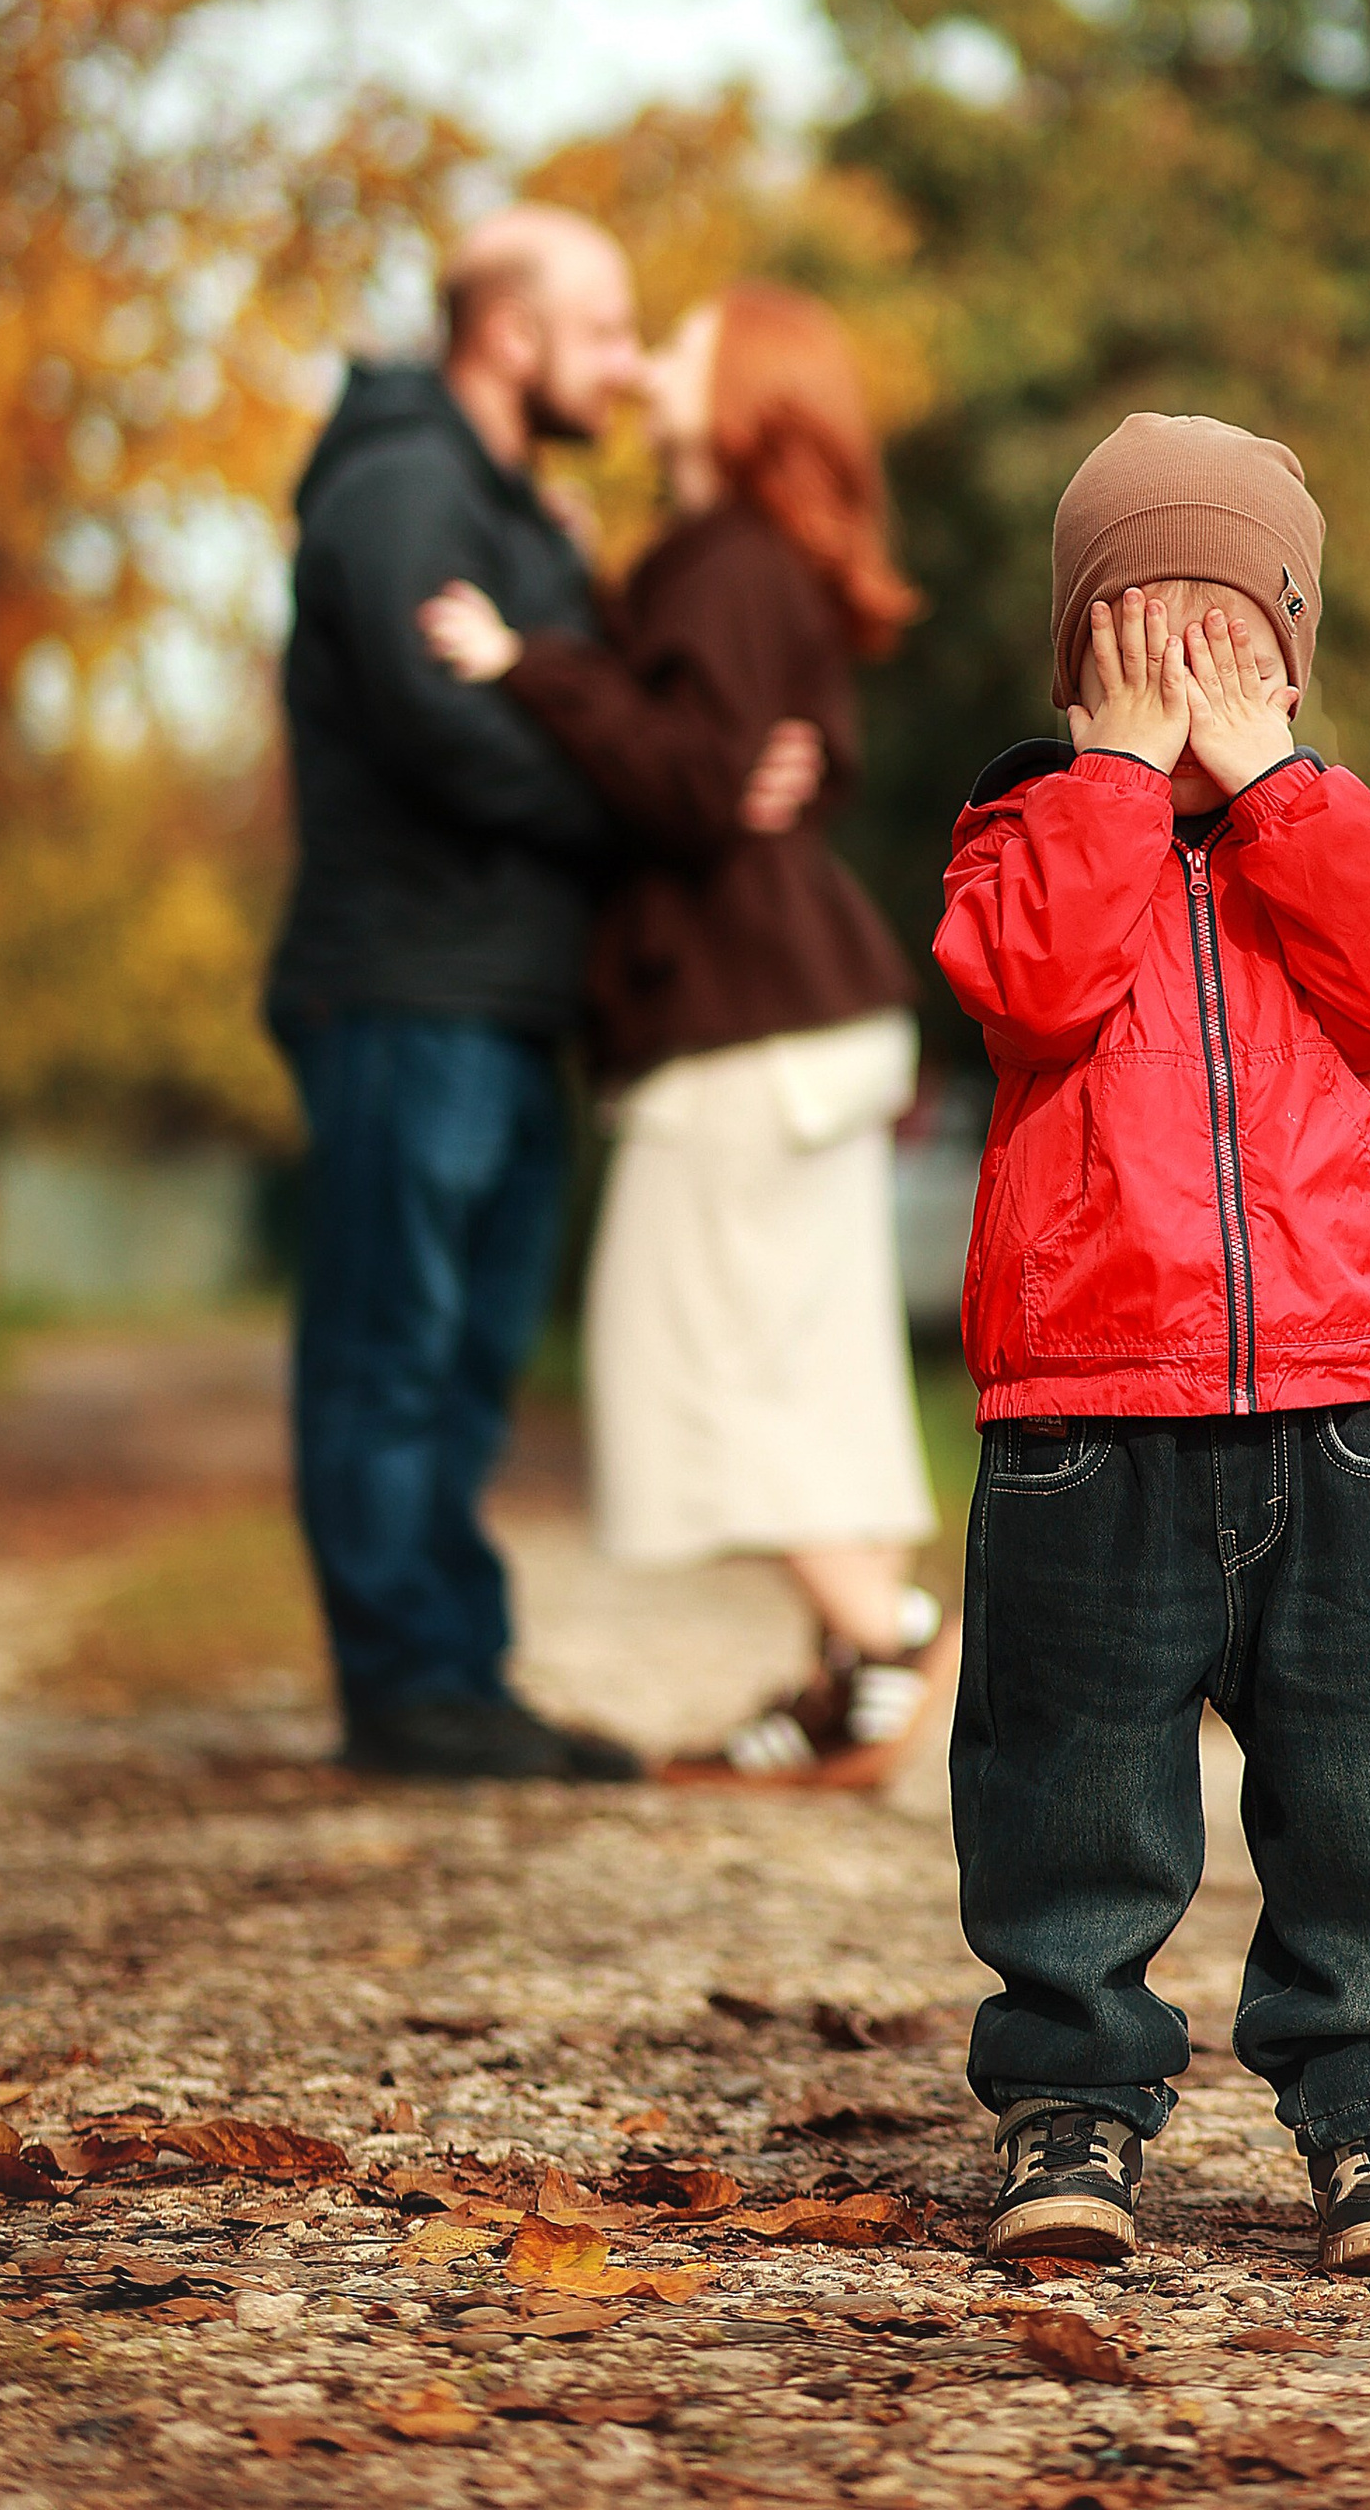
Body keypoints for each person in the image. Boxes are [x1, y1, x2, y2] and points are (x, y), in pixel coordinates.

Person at [933, 410, 1370, 2285]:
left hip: (1355, 1409)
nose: (1187, 678)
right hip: (1092, 1410)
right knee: (1074, 1789)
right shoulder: (1023, 835)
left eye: (1228, 638)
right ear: (1082, 653)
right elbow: (1031, 988)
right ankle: (1073, 2105)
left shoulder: (1330, 835)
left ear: (1292, 652)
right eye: (1143, 636)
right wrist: (1108, 779)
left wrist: (1272, 786)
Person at [417, 283, 949, 1785]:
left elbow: (703, 782)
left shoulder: (723, 560)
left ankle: (894, 1636)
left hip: (743, 1024)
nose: (651, 359)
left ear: (745, 396)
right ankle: (845, 1676)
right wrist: (603, 628)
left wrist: (531, 663)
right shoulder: (733, 561)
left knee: (696, 1357)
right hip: (792, 1014)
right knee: (807, 1355)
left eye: (686, 342)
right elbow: (772, 752)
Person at [267, 204, 652, 1783]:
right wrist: (630, 800)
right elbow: (452, 736)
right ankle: (408, 1686)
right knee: (393, 1343)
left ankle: (455, 1673)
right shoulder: (404, 484)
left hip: (501, 996)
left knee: (469, 1353)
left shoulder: (510, 510)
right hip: (404, 987)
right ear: (509, 330)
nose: (625, 367)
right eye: (608, 328)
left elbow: (583, 706)